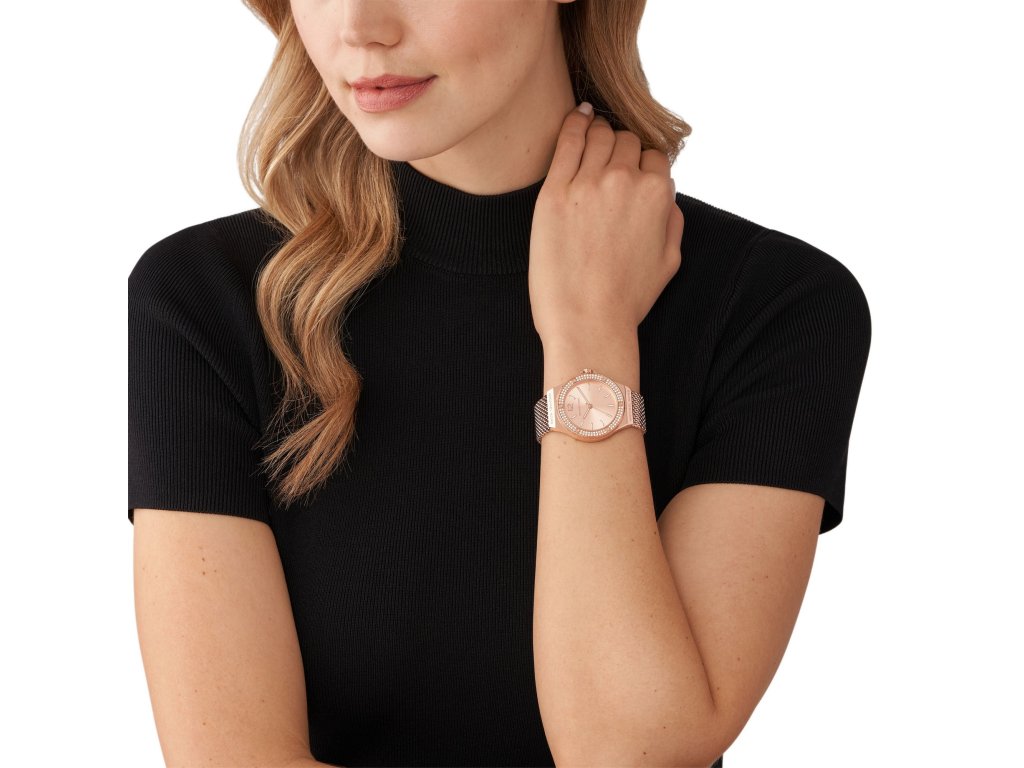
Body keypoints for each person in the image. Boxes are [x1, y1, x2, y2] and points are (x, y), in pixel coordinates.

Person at [128, 1, 871, 766]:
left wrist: (589, 335)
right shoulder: (208, 301)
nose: (358, 26)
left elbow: (629, 751)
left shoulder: (775, 308)